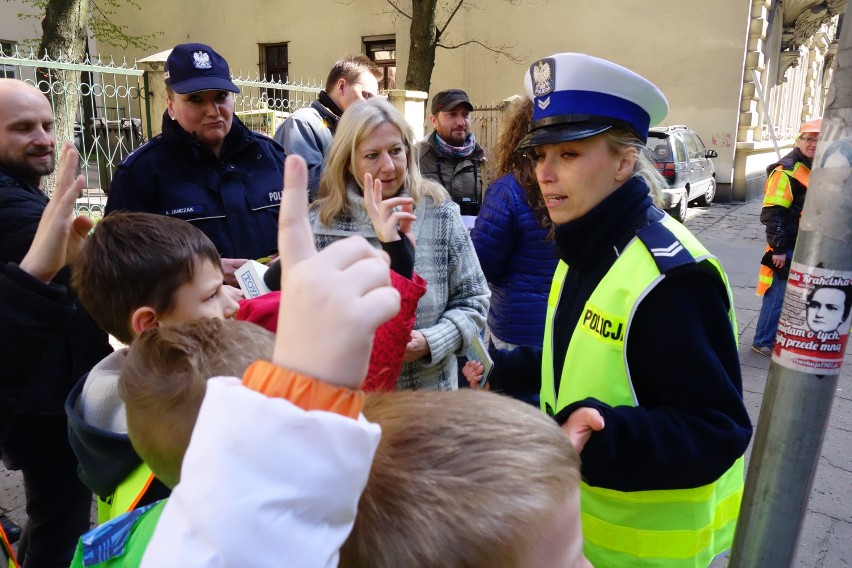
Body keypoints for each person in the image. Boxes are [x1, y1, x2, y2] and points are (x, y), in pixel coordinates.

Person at [74, 157, 587, 567]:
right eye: (211, 295)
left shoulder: (134, 404)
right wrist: (307, 395)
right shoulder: (211, 396)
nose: (230, 300)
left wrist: (395, 263)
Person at [467, 53, 752, 567]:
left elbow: (719, 427)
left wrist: (604, 438)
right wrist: (507, 369)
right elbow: (585, 357)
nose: (545, 174)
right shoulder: (584, 243)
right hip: (582, 537)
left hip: (646, 552)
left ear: (624, 162)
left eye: (569, 155)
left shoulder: (672, 278)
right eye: (540, 154)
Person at [0, 78, 113, 567]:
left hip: (40, 388)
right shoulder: (13, 208)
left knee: (55, 514)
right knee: (60, 518)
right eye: (22, 128)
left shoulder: (22, 193)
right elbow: (102, 261)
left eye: (47, 124)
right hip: (40, 400)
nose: (43, 137)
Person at [66, 212, 239, 525]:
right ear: (150, 324)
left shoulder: (105, 395)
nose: (232, 305)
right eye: (212, 295)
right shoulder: (186, 423)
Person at [311, 98, 490, 391]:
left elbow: (475, 299)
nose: (389, 166)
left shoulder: (437, 211)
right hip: (351, 403)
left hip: (429, 403)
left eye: (396, 151)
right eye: (372, 155)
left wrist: (432, 341)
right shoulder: (321, 222)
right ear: (347, 159)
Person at [105, 42, 285, 285]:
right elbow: (118, 261)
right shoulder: (140, 173)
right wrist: (200, 271)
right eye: (196, 99)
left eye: (221, 97)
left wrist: (290, 256)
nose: (213, 111)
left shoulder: (271, 157)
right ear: (171, 106)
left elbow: (307, 230)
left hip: (275, 311)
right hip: (198, 319)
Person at [470, 96, 557, 351]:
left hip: (517, 326)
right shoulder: (577, 188)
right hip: (563, 325)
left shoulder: (508, 191)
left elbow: (481, 265)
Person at [752, 117, 822, 357]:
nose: (813, 143)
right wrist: (779, 248)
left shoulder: (817, 168)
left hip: (806, 244)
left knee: (795, 297)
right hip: (788, 245)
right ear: (799, 140)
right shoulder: (787, 170)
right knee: (778, 296)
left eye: (819, 139)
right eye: (809, 138)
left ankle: (778, 338)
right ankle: (763, 341)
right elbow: (772, 214)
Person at [273, 55, 382, 198]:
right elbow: (309, 188)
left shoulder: (350, 126)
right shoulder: (302, 123)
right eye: (366, 95)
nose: (370, 105)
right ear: (342, 86)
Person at [416, 89, 485, 215]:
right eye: (452, 114)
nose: (460, 122)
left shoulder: (483, 159)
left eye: (465, 114)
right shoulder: (415, 158)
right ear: (434, 121)